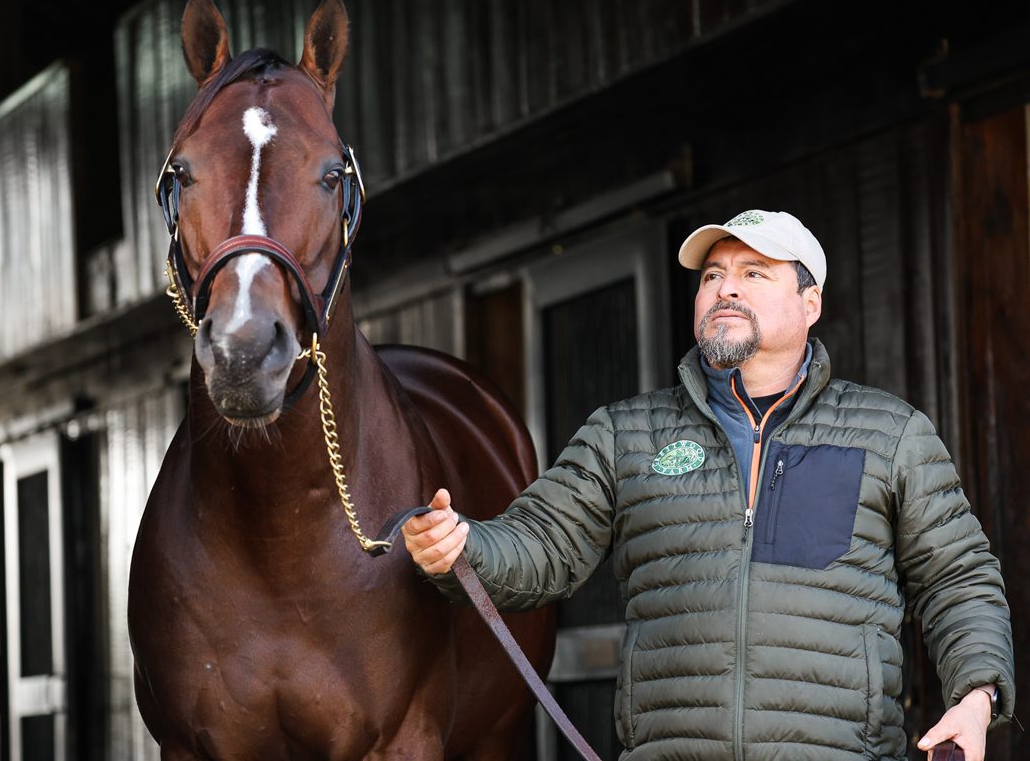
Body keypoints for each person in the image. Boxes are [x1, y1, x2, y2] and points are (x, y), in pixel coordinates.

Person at [404, 210, 1014, 761]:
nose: (724, 287)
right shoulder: (626, 433)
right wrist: (461, 547)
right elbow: (542, 544)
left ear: (811, 303)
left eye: (754, 273)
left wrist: (976, 695)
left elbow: (958, 578)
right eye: (711, 276)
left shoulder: (890, 434)